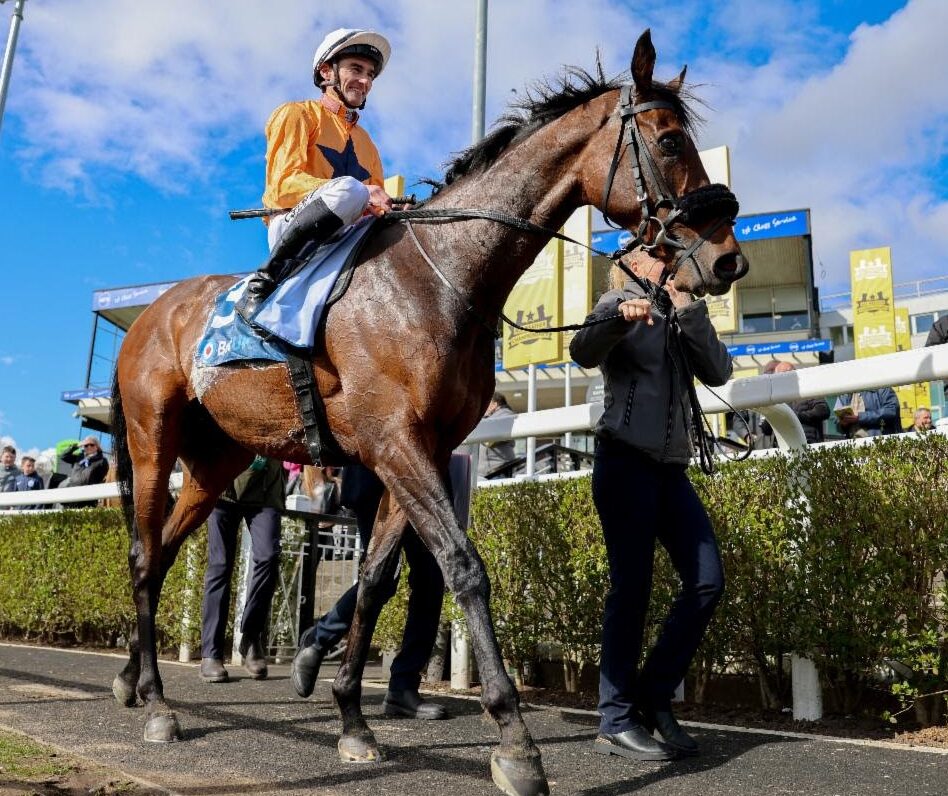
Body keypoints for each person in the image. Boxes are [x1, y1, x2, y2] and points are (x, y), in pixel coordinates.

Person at [569, 250, 731, 761]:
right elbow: (582, 349)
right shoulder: (616, 301)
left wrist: (688, 308)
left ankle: (653, 698)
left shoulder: (681, 312)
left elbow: (720, 371)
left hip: (671, 470)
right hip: (623, 462)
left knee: (707, 581)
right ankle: (615, 719)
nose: (665, 261)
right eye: (653, 255)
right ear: (632, 265)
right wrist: (618, 317)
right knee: (632, 588)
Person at [236, 27, 394, 322]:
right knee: (351, 190)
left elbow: (375, 204)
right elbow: (283, 186)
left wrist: (391, 208)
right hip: (291, 224)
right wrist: (360, 193)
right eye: (356, 69)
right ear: (326, 72)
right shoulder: (297, 114)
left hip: (346, 234)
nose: (365, 81)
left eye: (371, 74)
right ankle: (265, 281)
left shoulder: (368, 144)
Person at [290, 463, 448, 720]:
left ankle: (404, 687)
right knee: (382, 578)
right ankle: (318, 638)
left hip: (424, 477)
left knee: (431, 575)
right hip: (376, 472)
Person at [200, 456, 286, 683]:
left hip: (267, 486)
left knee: (268, 557)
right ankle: (211, 652)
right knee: (219, 566)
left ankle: (251, 636)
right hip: (223, 484)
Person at [764, 362, 830, 444]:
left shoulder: (808, 390)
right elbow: (766, 430)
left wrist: (796, 416)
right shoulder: (776, 398)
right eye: (777, 377)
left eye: (782, 376)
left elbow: (823, 410)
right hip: (783, 447)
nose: (779, 380)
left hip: (808, 443)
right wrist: (770, 414)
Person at [60, 436, 109, 507]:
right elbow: (63, 456)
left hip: (87, 499)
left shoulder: (102, 460)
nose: (89, 447)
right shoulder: (78, 457)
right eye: (86, 445)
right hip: (71, 496)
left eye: (91, 445)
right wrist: (75, 446)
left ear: (97, 447)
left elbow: (103, 478)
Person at [477, 392, 518, 478]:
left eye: (487, 403)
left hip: (499, 469)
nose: (484, 407)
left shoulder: (505, 414)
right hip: (491, 470)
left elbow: (489, 441)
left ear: (494, 404)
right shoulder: (493, 417)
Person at [833, 387, 900, 438]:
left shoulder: (881, 386)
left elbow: (891, 411)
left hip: (879, 442)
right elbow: (837, 423)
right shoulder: (844, 392)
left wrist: (860, 417)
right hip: (853, 443)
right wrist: (843, 423)